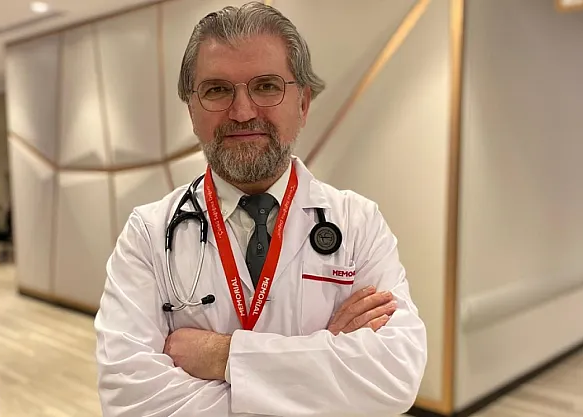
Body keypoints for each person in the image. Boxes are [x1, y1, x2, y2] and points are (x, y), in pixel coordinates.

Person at [94, 2, 428, 416]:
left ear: (303, 103)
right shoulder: (147, 234)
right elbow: (129, 399)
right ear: (192, 111)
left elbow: (394, 375)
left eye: (267, 86)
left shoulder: (358, 223)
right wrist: (323, 360)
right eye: (217, 90)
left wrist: (221, 355)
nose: (242, 112)